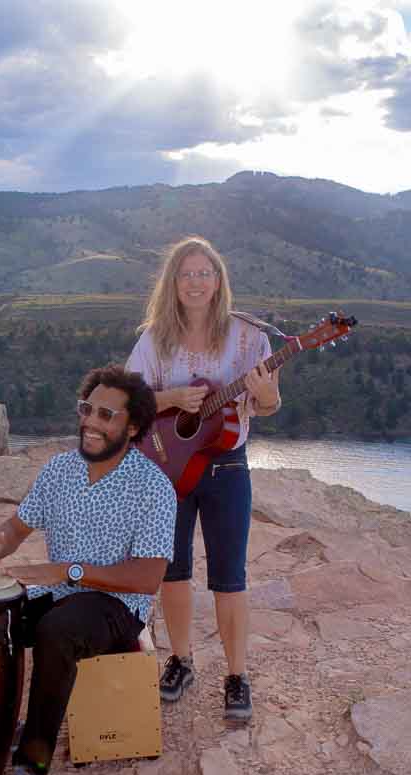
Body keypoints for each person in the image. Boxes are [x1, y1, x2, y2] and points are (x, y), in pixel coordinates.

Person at [0, 364, 177, 775]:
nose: (91, 423)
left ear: (132, 426)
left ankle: (31, 766)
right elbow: (13, 532)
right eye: (87, 409)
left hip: (118, 607)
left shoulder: (154, 487)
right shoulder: (59, 470)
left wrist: (68, 570)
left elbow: (148, 578)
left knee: (59, 631)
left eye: (107, 415)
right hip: (60, 594)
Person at [126, 236, 281, 720]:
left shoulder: (249, 337)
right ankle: (181, 660)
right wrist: (171, 400)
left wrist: (268, 393)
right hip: (167, 467)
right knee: (172, 572)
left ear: (219, 281)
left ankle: (237, 677)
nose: (195, 283)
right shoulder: (154, 338)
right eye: (186, 274)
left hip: (227, 468)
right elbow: (127, 399)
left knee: (230, 577)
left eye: (204, 273)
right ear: (172, 283)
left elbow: (268, 408)